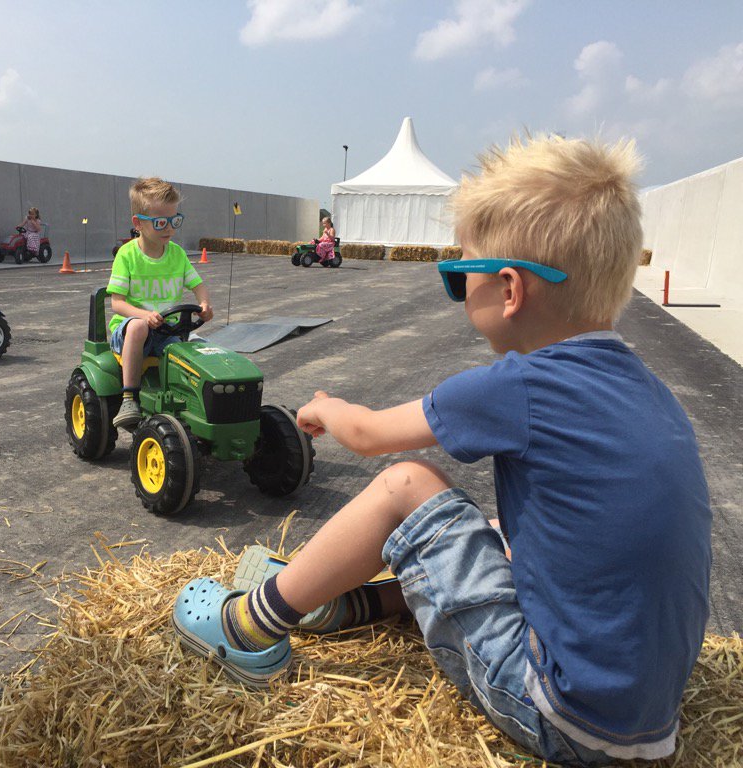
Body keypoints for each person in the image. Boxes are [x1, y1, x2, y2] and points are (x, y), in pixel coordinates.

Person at [171, 135, 711, 767]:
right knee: (496, 528)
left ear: (510, 290)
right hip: (644, 723)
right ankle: (352, 600)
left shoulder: (520, 385)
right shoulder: (649, 392)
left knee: (406, 486)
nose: (457, 291)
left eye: (459, 276)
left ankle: (249, 628)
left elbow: (370, 435)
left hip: (560, 714)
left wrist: (324, 408)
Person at [107, 177, 213, 430]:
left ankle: (200, 408)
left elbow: (197, 285)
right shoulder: (128, 255)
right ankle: (129, 398)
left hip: (167, 331)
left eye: (175, 221)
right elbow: (117, 304)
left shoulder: (176, 254)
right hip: (128, 330)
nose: (169, 229)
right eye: (161, 223)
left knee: (201, 351)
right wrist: (143, 316)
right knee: (138, 327)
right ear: (138, 224)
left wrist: (205, 304)